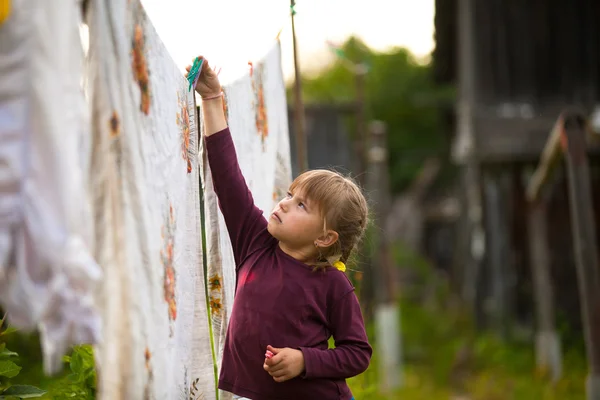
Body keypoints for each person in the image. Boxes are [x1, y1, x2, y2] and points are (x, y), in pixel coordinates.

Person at [187, 56, 372, 400]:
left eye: (301, 205)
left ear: (324, 237)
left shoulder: (333, 285)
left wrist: (305, 360)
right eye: (290, 194)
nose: (284, 203)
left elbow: (358, 352)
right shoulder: (255, 243)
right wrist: (211, 99)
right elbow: (228, 179)